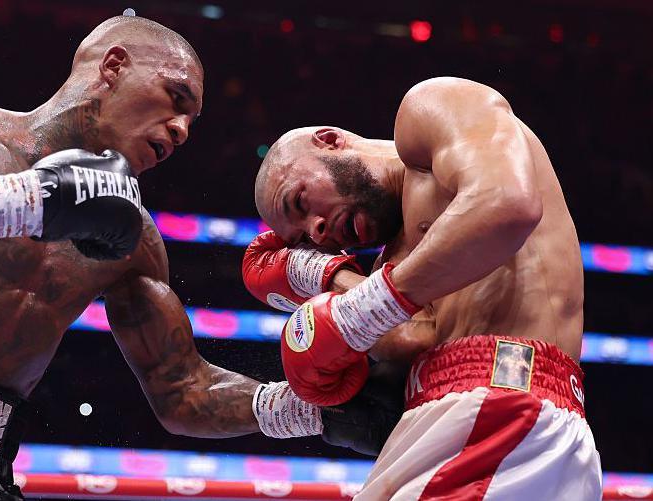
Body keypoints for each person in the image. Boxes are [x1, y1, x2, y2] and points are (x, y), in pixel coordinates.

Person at [0, 14, 369, 501]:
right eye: (174, 97)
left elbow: (183, 390)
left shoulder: (132, 240)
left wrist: (313, 410)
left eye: (192, 119)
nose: (182, 128)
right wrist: (29, 202)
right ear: (112, 67)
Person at [244, 76, 602, 500]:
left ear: (329, 141)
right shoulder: (397, 264)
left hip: (501, 406)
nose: (318, 231)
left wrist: (356, 308)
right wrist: (325, 276)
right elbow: (416, 338)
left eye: (300, 202)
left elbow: (506, 203)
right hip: (464, 418)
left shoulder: (429, 107)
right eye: (306, 240)